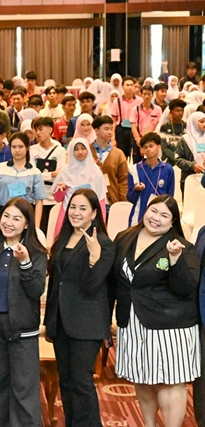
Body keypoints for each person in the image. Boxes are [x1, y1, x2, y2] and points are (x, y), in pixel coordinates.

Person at [111, 195, 200, 427]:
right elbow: (115, 281)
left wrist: (175, 259)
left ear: (173, 222)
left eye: (164, 215)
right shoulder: (124, 237)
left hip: (169, 326)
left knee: (169, 382)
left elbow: (187, 288)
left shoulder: (181, 246)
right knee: (141, 377)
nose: (156, 218)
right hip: (132, 321)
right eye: (153, 211)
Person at [44, 189, 115, 427]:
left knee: (81, 382)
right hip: (61, 321)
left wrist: (94, 258)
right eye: (73, 207)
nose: (76, 212)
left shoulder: (104, 244)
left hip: (87, 323)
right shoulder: (63, 238)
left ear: (94, 213)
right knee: (66, 381)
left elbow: (92, 286)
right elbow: (55, 283)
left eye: (83, 208)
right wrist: (49, 321)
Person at [0, 198, 47, 427]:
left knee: (24, 389)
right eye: (6, 216)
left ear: (27, 224)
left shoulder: (36, 252)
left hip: (22, 329)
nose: (9, 222)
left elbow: (36, 290)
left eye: (17, 219)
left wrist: (25, 262)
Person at [0, 132, 47, 238]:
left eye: (20, 147)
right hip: (3, 214)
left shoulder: (35, 172)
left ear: (27, 148)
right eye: (14, 147)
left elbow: (39, 201)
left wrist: (36, 227)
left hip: (25, 216)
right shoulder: (0, 168)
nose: (17, 150)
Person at [52, 138, 107, 236]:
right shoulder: (65, 170)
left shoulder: (95, 171)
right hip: (67, 215)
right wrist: (62, 190)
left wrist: (100, 222)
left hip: (89, 218)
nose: (80, 152)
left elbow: (101, 200)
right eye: (76, 149)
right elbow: (57, 199)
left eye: (83, 148)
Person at [127, 133, 175, 226]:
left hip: (159, 216)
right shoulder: (134, 169)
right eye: (145, 147)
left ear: (159, 147)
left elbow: (170, 196)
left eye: (151, 146)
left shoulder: (168, 169)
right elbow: (130, 198)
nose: (148, 149)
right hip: (138, 216)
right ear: (142, 150)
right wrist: (136, 190)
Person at [30, 117, 67, 233]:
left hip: (54, 198)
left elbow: (60, 174)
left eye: (40, 129)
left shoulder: (60, 150)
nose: (38, 133)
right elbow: (32, 174)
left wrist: (42, 175)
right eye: (36, 130)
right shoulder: (32, 150)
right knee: (38, 231)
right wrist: (51, 175)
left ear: (50, 129)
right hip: (37, 197)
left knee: (54, 232)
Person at [90, 116, 129, 210]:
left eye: (111, 129)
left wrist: (123, 201)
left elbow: (124, 181)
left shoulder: (118, 154)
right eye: (106, 129)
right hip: (90, 201)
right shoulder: (86, 151)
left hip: (111, 202)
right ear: (96, 131)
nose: (110, 132)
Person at [111, 76, 143, 160]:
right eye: (127, 85)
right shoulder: (117, 101)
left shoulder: (140, 101)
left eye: (131, 85)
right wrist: (112, 138)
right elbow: (113, 121)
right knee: (121, 156)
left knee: (136, 155)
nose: (129, 87)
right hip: (122, 129)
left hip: (135, 130)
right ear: (122, 86)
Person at [130, 85, 163, 163]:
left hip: (153, 141)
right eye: (144, 94)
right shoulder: (135, 109)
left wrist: (152, 140)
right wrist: (139, 141)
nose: (147, 96)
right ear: (141, 95)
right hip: (139, 140)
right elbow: (133, 127)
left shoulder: (158, 109)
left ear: (152, 95)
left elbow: (159, 126)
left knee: (153, 163)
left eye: (149, 94)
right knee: (138, 164)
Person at [175, 111, 205, 193]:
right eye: (201, 121)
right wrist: (192, 165)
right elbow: (178, 159)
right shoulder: (184, 140)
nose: (204, 124)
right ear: (193, 123)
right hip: (189, 178)